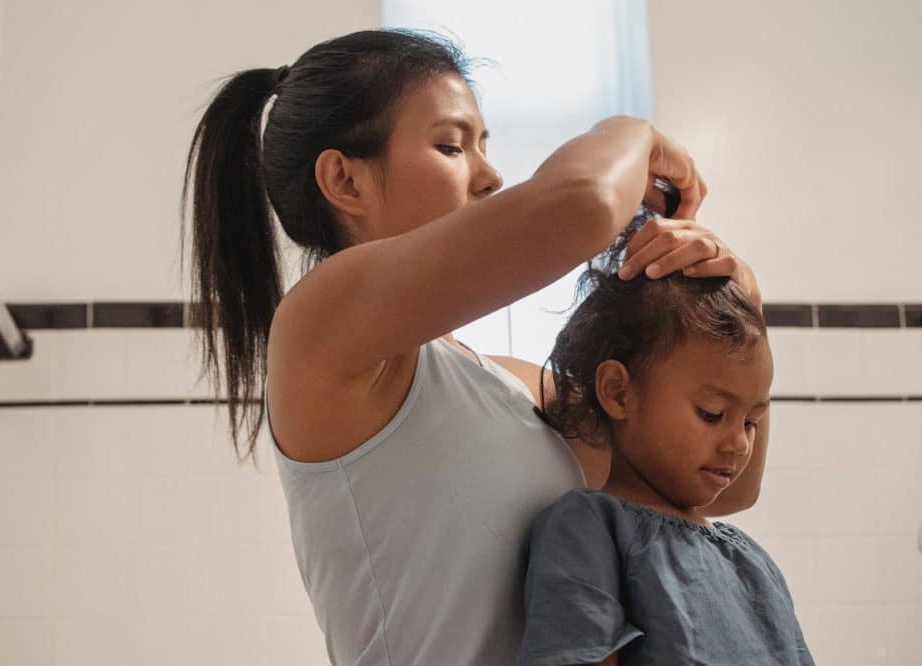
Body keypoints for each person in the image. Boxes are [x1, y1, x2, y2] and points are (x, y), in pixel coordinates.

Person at [181, 27, 768, 666]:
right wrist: (633, 133)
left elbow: (716, 484)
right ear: (344, 180)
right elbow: (582, 205)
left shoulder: (512, 386)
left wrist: (744, 295)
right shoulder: (320, 326)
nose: (490, 176)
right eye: (451, 146)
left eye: (485, 145)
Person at [517, 214, 813, 665]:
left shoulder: (753, 563)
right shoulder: (588, 529)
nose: (739, 445)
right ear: (619, 391)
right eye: (712, 414)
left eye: (751, 422)